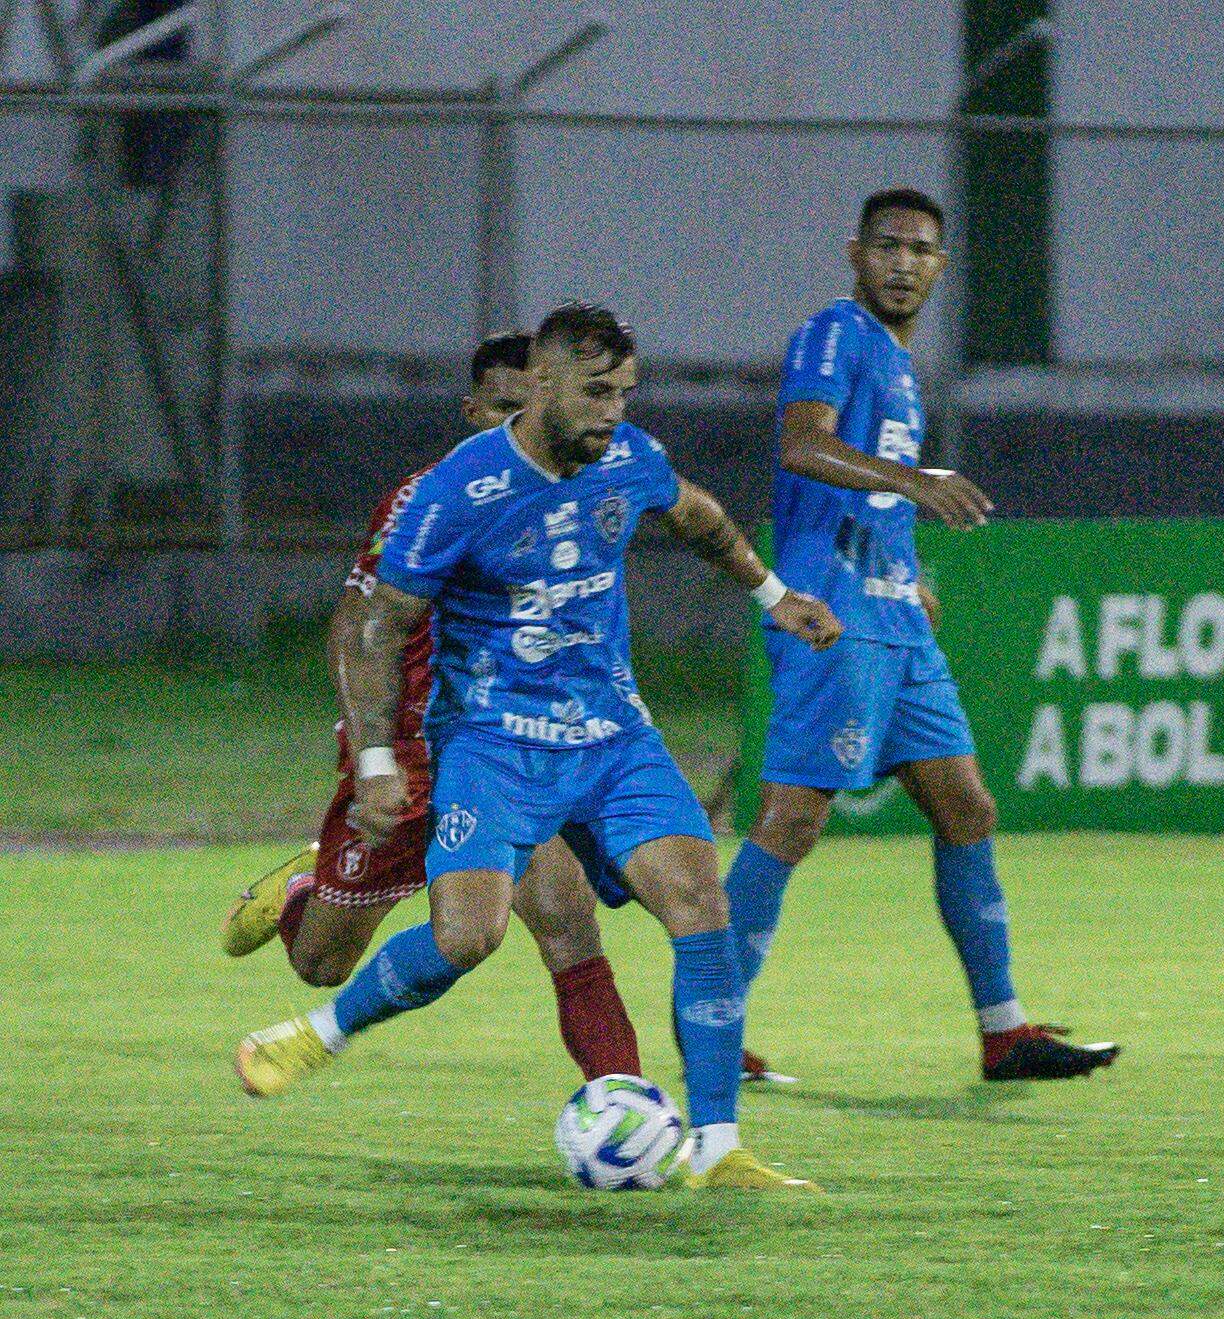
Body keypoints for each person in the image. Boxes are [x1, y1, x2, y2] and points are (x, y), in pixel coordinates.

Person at [235, 303, 842, 1190]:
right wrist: (375, 763)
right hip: (490, 744)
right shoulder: (459, 489)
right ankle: (315, 1035)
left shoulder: (630, 456)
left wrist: (773, 594)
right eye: (597, 393)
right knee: (467, 937)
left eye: (626, 394)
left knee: (698, 905)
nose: (613, 413)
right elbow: (373, 623)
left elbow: (699, 516)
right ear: (543, 385)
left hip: (613, 737)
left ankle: (717, 1148)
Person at [725, 188, 1119, 1081]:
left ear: (941, 266)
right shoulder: (835, 333)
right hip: (833, 617)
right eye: (889, 246)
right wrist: (914, 481)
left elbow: (865, 492)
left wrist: (910, 577)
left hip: (893, 618)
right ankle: (709, 1022)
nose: (904, 263)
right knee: (792, 819)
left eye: (922, 250)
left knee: (967, 808)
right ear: (855, 253)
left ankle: (1005, 1032)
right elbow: (799, 445)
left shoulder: (899, 363)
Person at [223, 333, 641, 1084]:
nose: (520, 421)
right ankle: (303, 891)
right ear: (473, 409)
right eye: (504, 407)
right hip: (413, 754)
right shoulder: (428, 500)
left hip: (506, 746)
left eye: (535, 403)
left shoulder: (576, 492)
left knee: (568, 928)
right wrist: (369, 752)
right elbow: (356, 627)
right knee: (320, 963)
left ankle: (628, 1110)